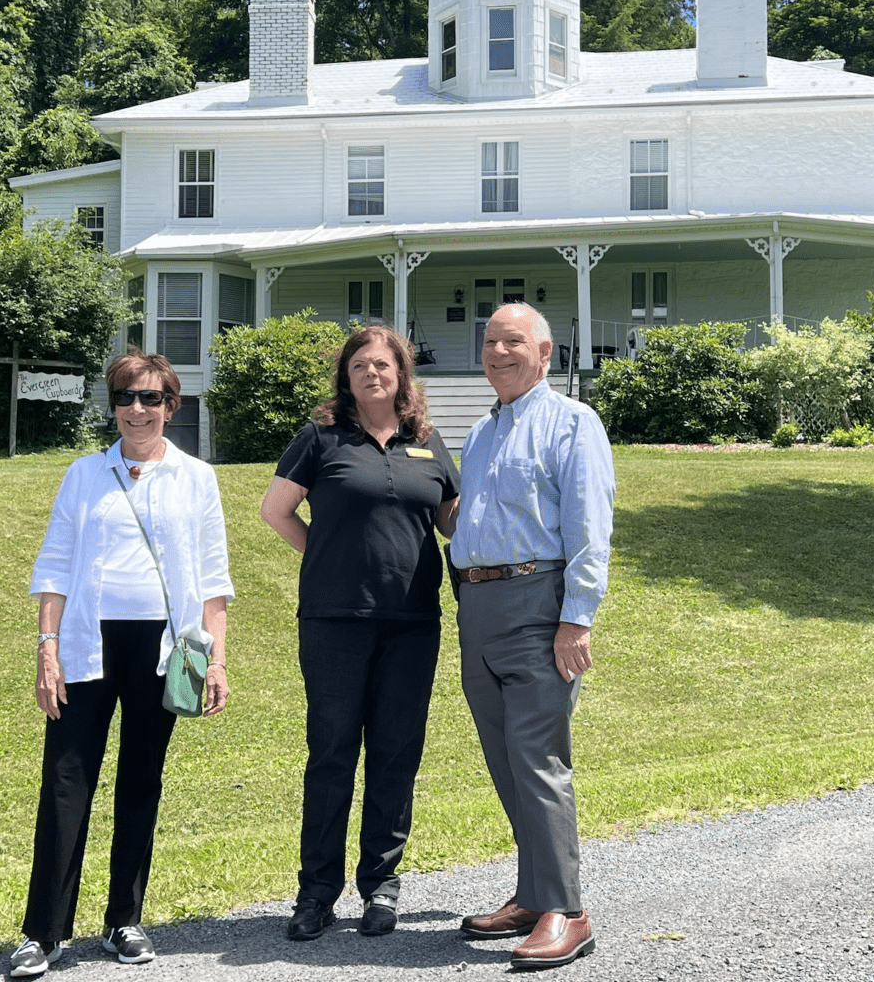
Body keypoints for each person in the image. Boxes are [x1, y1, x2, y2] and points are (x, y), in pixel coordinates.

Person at [11, 350, 234, 978]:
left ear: (172, 405)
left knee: (141, 780)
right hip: (87, 644)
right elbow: (54, 566)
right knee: (65, 781)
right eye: (127, 398)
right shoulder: (85, 474)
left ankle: (123, 920)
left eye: (152, 398)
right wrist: (47, 649)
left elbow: (214, 580)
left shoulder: (197, 479)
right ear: (113, 406)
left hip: (166, 650)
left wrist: (214, 660)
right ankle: (43, 932)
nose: (139, 410)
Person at [261, 325, 460, 941]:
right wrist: (324, 558)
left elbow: (454, 522)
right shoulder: (319, 439)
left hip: (411, 624)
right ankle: (317, 892)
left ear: (402, 374)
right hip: (333, 623)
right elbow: (276, 511)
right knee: (331, 754)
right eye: (360, 367)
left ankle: (381, 884)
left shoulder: (427, 443)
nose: (373, 374)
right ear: (346, 379)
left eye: (384, 365)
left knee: (397, 753)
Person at [448, 303, 615, 970]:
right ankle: (532, 893)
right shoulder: (484, 431)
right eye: (490, 341)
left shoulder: (574, 423)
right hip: (478, 605)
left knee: (538, 758)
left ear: (545, 352)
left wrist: (577, 617)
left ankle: (567, 912)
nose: (498, 351)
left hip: (538, 605)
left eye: (513, 341)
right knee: (504, 759)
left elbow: (589, 527)